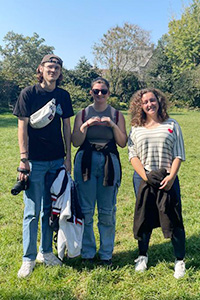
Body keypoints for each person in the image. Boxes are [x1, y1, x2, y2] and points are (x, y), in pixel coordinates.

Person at [13, 54, 74, 278]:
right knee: (31, 211)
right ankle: (28, 259)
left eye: (57, 66)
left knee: (50, 210)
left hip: (57, 160)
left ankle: (46, 252)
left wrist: (68, 157)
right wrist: (23, 157)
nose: (54, 70)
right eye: (50, 66)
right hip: (34, 161)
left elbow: (67, 126)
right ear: (41, 69)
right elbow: (22, 127)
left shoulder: (63, 96)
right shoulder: (28, 94)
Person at [128, 88, 186, 279]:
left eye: (152, 101)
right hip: (143, 178)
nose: (149, 105)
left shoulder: (172, 124)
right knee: (144, 217)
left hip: (167, 178)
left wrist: (171, 177)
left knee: (173, 217)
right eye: (145, 102)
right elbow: (132, 155)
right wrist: (144, 176)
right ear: (140, 106)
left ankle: (179, 260)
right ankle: (142, 256)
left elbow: (178, 153)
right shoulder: (136, 127)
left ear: (159, 102)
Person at [72, 77, 127, 265]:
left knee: (107, 211)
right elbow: (75, 142)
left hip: (109, 162)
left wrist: (111, 124)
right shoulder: (83, 113)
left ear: (109, 93)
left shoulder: (117, 115)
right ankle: (87, 252)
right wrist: (86, 125)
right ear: (91, 93)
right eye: (96, 91)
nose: (100, 94)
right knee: (86, 210)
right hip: (86, 160)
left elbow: (122, 142)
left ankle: (106, 254)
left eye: (103, 91)